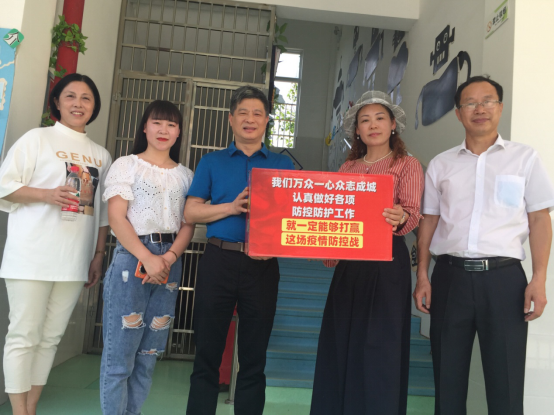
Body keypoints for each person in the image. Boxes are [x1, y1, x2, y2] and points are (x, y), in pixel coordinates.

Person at [413, 76, 554, 415]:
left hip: (504, 280)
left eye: (487, 101)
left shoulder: (524, 158)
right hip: (450, 278)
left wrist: (539, 278)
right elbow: (428, 221)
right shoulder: (442, 164)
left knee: (505, 383)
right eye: (470, 103)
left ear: (500, 108)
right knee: (447, 380)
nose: (480, 109)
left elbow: (539, 219)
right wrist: (422, 275)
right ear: (458, 113)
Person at [0, 73, 112, 415]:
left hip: (74, 260)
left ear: (94, 106)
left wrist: (97, 255)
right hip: (31, 255)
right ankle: (19, 411)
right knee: (23, 335)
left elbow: (102, 213)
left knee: (50, 338)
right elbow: (4, 186)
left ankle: (31, 407)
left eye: (86, 98)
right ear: (57, 103)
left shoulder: (101, 155)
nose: (78, 103)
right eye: (70, 96)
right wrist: (46, 194)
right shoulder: (37, 139)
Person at [310, 91, 424, 415]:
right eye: (365, 120)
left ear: (393, 125)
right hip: (350, 266)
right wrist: (324, 245)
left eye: (379, 118)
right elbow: (335, 216)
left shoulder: (407, 164)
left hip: (387, 265)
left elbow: (413, 213)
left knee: (380, 348)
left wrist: (401, 216)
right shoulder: (348, 168)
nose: (373, 125)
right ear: (356, 130)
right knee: (340, 341)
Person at [184, 85, 294, 415]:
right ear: (231, 119)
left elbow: (292, 216)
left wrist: (274, 246)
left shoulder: (282, 165)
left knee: (254, 358)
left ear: (267, 121)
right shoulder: (211, 162)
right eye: (243, 113)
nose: (250, 119)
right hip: (218, 260)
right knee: (206, 354)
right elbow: (191, 212)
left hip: (263, 266)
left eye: (258, 113)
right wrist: (231, 208)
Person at [99, 100, 195, 415]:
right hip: (132, 259)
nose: (163, 130)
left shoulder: (186, 175)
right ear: (144, 127)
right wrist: (147, 258)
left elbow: (188, 224)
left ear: (178, 132)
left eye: (171, 124)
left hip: (169, 263)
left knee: (148, 355)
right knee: (120, 357)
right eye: (157, 122)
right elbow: (117, 218)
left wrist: (169, 257)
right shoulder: (127, 165)